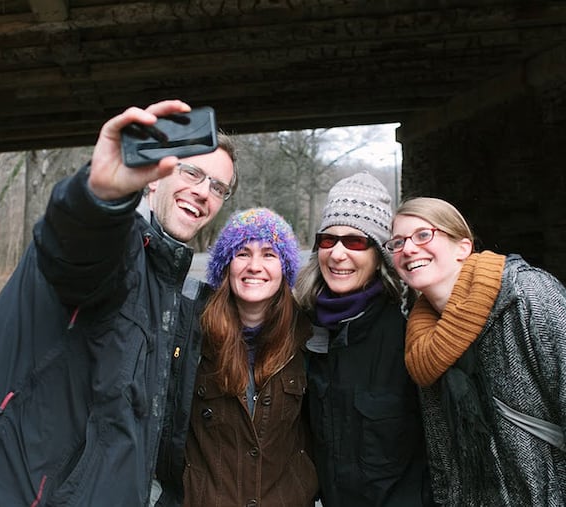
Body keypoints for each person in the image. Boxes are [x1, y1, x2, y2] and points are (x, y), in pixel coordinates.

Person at [0, 99, 237, 507]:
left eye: (218, 187)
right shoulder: (119, 247)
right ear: (154, 178)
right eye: (192, 171)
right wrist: (102, 195)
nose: (202, 192)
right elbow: (75, 245)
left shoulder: (166, 282)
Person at [387, 196, 566, 506]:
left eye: (423, 235)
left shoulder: (527, 296)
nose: (409, 249)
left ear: (463, 247)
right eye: (398, 242)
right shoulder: (422, 344)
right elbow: (443, 456)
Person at [294, 173, 433, 506]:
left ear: (379, 255)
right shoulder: (302, 327)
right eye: (328, 240)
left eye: (355, 242)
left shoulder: (410, 332)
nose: (338, 254)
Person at [180, 207, 318, 507]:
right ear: (225, 267)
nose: (255, 266)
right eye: (242, 253)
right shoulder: (191, 336)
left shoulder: (308, 338)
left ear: (284, 268)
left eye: (269, 254)